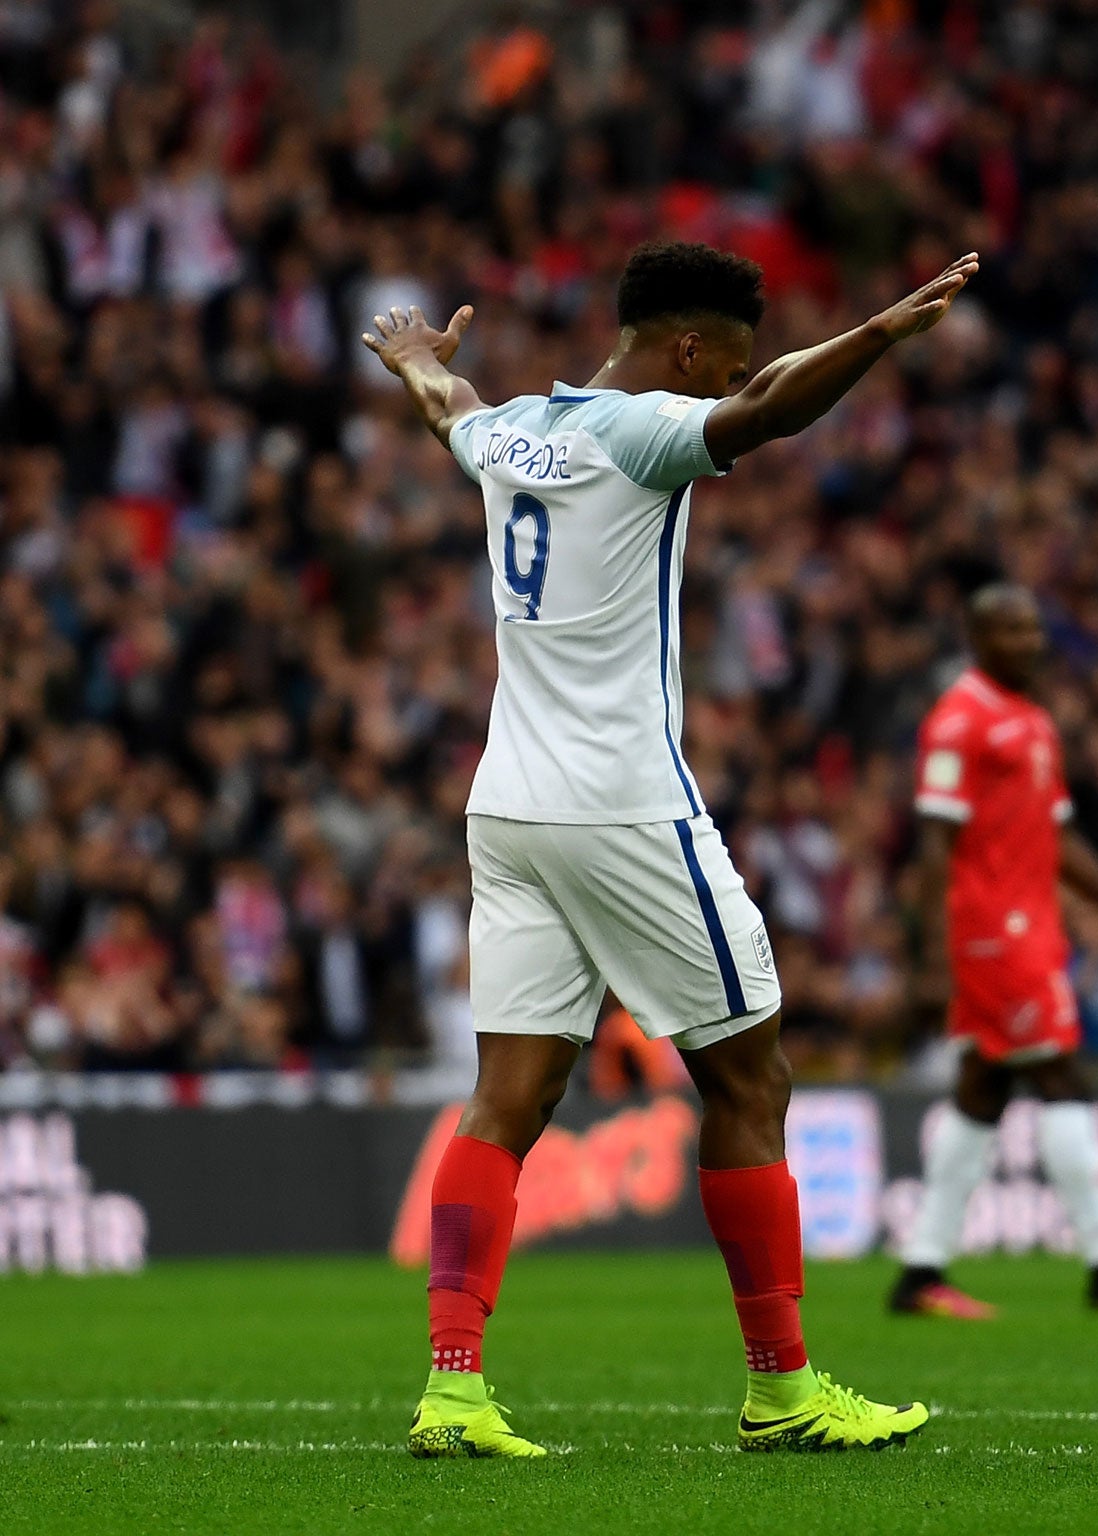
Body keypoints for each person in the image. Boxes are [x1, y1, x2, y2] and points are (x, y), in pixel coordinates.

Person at [364, 240, 978, 1457]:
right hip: (625, 808)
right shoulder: (644, 430)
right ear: (687, 350)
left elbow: (454, 415)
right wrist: (878, 335)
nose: (727, 384)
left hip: (510, 811)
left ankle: (452, 1388)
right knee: (751, 1080)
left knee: (507, 1100)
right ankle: (782, 1389)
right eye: (723, 362)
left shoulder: (521, 430)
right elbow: (770, 409)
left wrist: (418, 365)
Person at [888, 586, 1098, 1320]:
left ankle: (919, 1274)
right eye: (1011, 631)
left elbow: (1065, 845)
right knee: (1060, 1073)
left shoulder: (1033, 720)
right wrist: (933, 952)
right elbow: (934, 840)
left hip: (1030, 926)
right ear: (976, 637)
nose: (1030, 642)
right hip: (994, 933)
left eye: (1034, 629)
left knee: (984, 1091)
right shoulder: (958, 721)